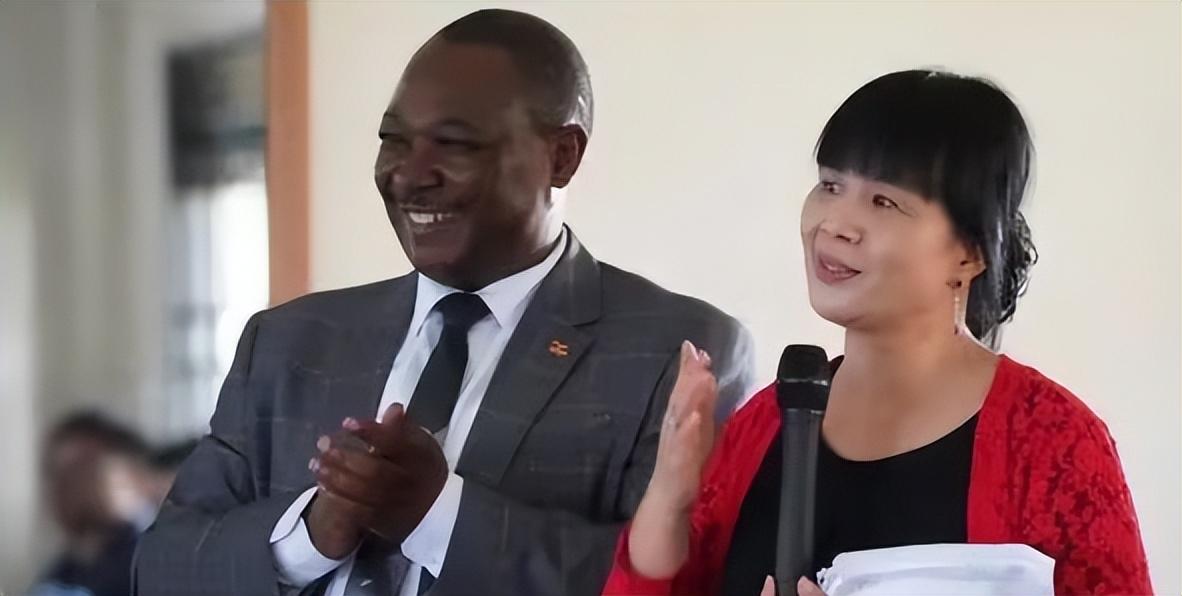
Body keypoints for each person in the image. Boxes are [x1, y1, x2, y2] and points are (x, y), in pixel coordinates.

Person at [133, 9, 756, 596]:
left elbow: (687, 581)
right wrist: (309, 536)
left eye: (455, 144)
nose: (409, 174)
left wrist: (439, 517)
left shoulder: (678, 352)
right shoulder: (288, 341)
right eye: (394, 140)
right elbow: (158, 569)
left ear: (561, 156)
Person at [603, 70, 1152, 596]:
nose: (834, 223)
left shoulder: (1053, 442)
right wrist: (671, 493)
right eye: (830, 185)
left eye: (883, 201)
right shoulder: (765, 422)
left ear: (970, 252)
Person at [32, 412, 156, 596]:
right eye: (56, 472)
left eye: (81, 470)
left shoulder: (151, 565)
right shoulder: (62, 572)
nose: (65, 486)